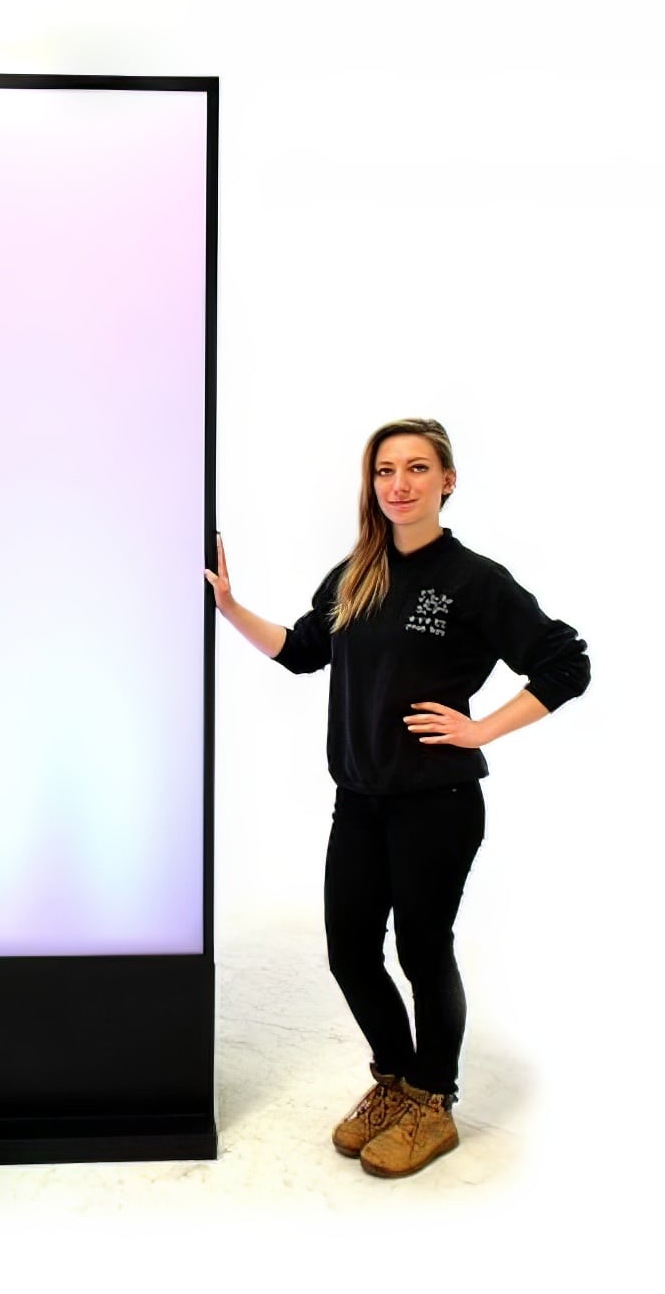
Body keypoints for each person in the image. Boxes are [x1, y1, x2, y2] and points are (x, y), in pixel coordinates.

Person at [203, 418, 590, 1178]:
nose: (399, 484)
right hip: (358, 799)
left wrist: (480, 729)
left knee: (421, 948)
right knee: (349, 950)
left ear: (448, 480)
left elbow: (565, 662)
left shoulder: (475, 580)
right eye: (385, 470)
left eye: (417, 468)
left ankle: (432, 1099)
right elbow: (303, 650)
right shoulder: (358, 573)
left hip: (437, 803)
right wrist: (231, 607)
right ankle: (396, 1080)